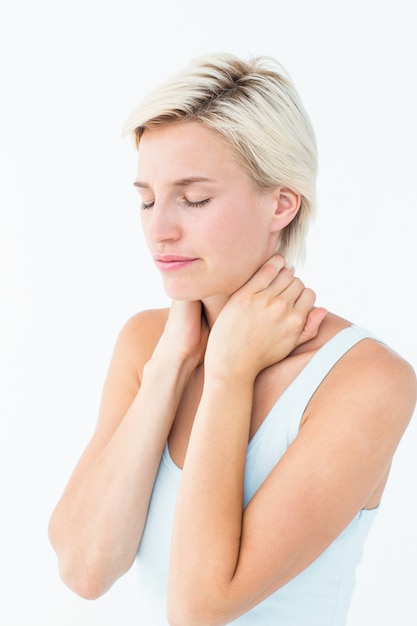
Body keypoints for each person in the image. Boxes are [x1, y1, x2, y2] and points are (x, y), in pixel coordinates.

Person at [48, 53, 416, 626]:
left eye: (194, 199)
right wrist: (174, 360)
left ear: (282, 204)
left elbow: (199, 609)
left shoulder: (365, 380)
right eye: (146, 198)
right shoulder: (148, 344)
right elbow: (85, 569)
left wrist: (228, 372)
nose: (159, 228)